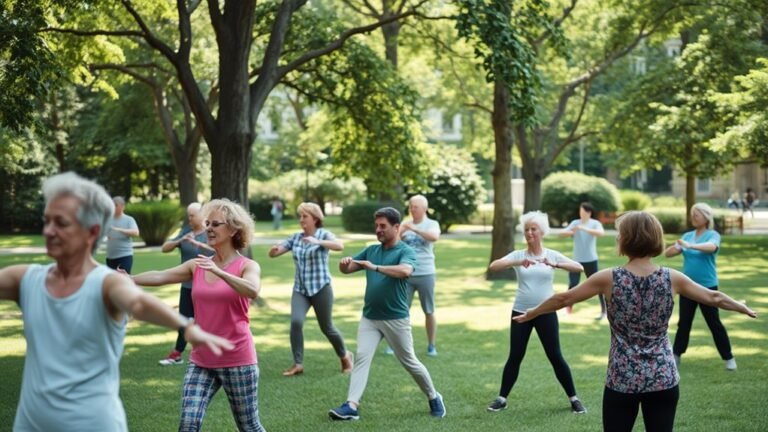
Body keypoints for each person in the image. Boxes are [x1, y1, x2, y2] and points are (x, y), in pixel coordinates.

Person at [0, 172, 233, 432]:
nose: (49, 231)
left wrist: (188, 328)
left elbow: (138, 304)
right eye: (47, 221)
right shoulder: (26, 279)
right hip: (30, 424)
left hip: (93, 424)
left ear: (92, 232)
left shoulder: (105, 283)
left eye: (61, 222)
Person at [513, 211, 756, 432]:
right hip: (663, 376)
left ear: (626, 240)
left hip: (622, 378)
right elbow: (713, 296)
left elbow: (563, 298)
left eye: (620, 234)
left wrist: (531, 313)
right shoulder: (672, 278)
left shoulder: (609, 278)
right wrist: (740, 306)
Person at [130, 199, 265, 432]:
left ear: (233, 229)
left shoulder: (247, 265)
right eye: (207, 223)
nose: (209, 229)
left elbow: (252, 289)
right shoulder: (197, 265)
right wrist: (128, 279)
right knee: (188, 423)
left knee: (249, 426)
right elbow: (161, 276)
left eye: (216, 224)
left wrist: (221, 273)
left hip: (237, 358)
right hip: (202, 360)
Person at [328, 207, 446, 421]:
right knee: (362, 358)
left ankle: (434, 396)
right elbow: (348, 269)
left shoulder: (405, 251)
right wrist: (344, 264)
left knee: (409, 361)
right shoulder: (372, 249)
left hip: (395, 318)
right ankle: (351, 405)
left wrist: (375, 267)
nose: (378, 230)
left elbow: (405, 271)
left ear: (396, 227)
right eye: (376, 226)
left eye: (383, 226)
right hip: (370, 317)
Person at [486, 211, 587, 415]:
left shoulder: (550, 254)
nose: (529, 233)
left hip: (546, 312)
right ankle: (502, 398)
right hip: (521, 312)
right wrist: (516, 262)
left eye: (533, 229)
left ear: (542, 232)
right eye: (526, 230)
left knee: (555, 356)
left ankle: (574, 399)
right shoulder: (519, 255)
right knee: (515, 356)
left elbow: (579, 267)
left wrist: (555, 264)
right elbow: (494, 266)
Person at [268, 202, 353, 376]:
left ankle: (345, 356)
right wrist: (274, 250)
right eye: (300, 216)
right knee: (296, 322)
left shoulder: (323, 234)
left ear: (315, 219)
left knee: (327, 327)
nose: (301, 220)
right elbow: (276, 252)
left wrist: (319, 241)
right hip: (301, 289)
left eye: (304, 216)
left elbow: (340, 246)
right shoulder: (296, 237)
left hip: (321, 288)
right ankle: (298, 363)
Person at [664, 203, 738, 370]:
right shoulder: (688, 235)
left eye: (697, 214)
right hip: (687, 287)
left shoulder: (713, 235)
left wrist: (690, 246)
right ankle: (676, 356)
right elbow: (667, 254)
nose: (694, 217)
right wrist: (677, 247)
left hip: (707, 287)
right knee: (684, 323)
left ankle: (729, 358)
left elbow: (712, 247)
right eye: (693, 214)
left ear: (706, 217)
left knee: (714, 323)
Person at [157, 202, 216, 366]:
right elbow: (165, 248)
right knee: (183, 320)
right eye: (188, 215)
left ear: (202, 215)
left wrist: (199, 245)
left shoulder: (209, 233)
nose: (189, 218)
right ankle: (177, 353)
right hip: (187, 286)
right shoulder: (185, 232)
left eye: (192, 215)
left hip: (206, 286)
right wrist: (181, 239)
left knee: (207, 320)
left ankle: (210, 352)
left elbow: (217, 252)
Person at [398, 194, 441, 356]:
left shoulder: (432, 224)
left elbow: (434, 237)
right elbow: (394, 241)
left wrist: (414, 229)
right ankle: (398, 344)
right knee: (401, 310)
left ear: (424, 208)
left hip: (426, 273)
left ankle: (431, 345)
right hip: (406, 273)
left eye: (415, 207)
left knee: (428, 310)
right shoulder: (405, 224)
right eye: (410, 206)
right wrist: (401, 232)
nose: (412, 209)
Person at [559, 202, 606, 319]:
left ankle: (604, 312)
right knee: (573, 285)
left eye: (583, 211)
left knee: (598, 286)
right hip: (576, 261)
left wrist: (583, 228)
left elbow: (601, 233)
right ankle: (568, 310)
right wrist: (571, 232)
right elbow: (562, 234)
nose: (581, 213)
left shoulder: (595, 223)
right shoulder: (575, 223)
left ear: (589, 212)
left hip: (591, 260)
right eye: (580, 211)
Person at [105, 196, 140, 273]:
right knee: (111, 281)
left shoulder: (129, 220)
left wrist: (119, 230)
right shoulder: (108, 219)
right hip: (110, 257)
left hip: (124, 256)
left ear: (122, 206)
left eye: (115, 205)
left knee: (124, 279)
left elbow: (136, 232)